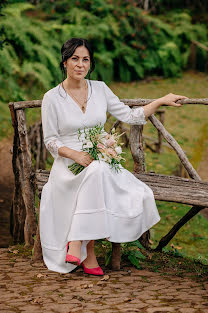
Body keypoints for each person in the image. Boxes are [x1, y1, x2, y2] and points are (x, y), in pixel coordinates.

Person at [40, 37, 188, 275]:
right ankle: (88, 254)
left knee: (104, 174)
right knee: (97, 172)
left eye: (85, 59)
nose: (80, 64)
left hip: (99, 160)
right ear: (65, 62)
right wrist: (75, 155)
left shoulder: (100, 89)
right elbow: (51, 141)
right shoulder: (52, 98)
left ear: (91, 63)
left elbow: (132, 116)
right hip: (69, 165)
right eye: (75, 59)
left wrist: (161, 100)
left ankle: (77, 241)